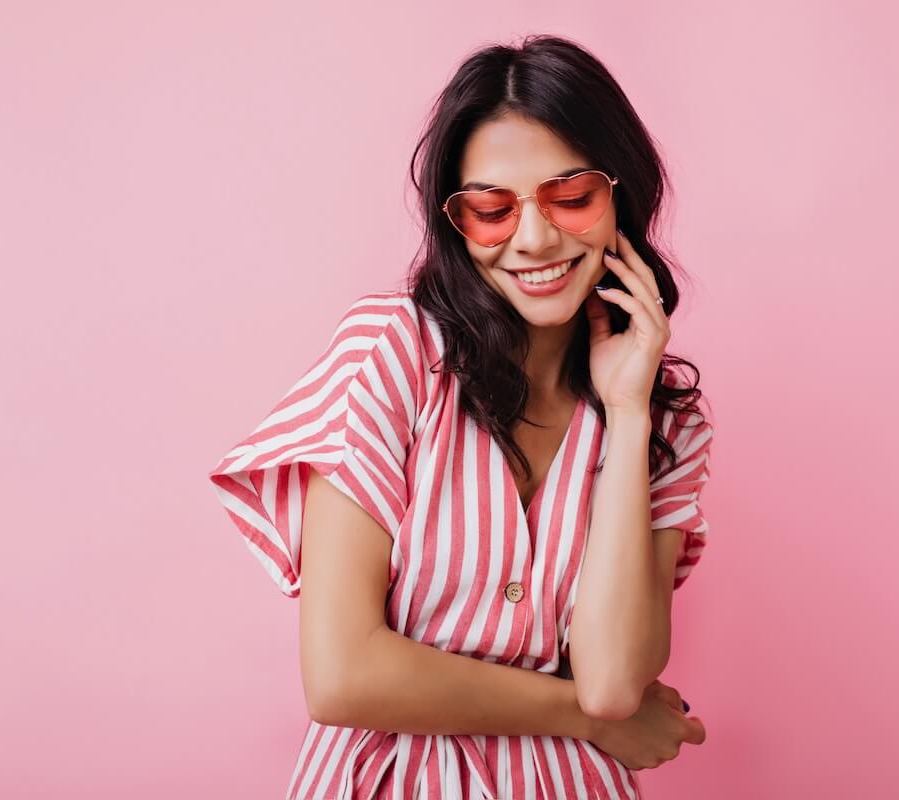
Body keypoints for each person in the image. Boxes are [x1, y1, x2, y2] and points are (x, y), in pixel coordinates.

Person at [207, 34, 715, 800]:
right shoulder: (394, 354)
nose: (535, 238)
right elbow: (344, 675)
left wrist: (628, 411)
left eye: (571, 197)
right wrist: (584, 721)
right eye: (491, 210)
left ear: (623, 193)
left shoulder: (665, 416)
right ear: (455, 221)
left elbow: (612, 683)